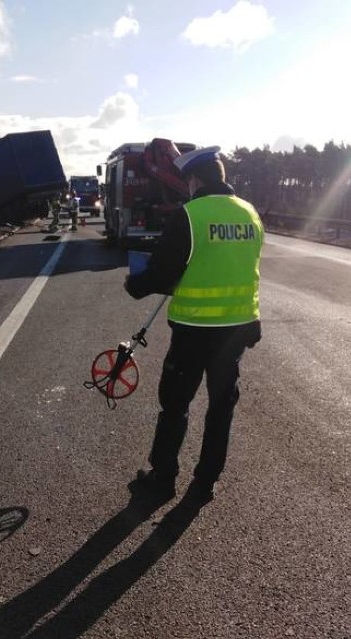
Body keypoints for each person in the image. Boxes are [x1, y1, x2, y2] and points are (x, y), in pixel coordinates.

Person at [124, 144, 263, 502]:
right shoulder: (250, 214)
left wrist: (135, 285)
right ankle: (206, 482)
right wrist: (253, 320)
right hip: (235, 331)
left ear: (195, 181)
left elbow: (162, 271)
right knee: (220, 408)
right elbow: (248, 272)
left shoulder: (189, 215)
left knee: (175, 405)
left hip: (192, 331)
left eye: (188, 182)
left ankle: (164, 477)